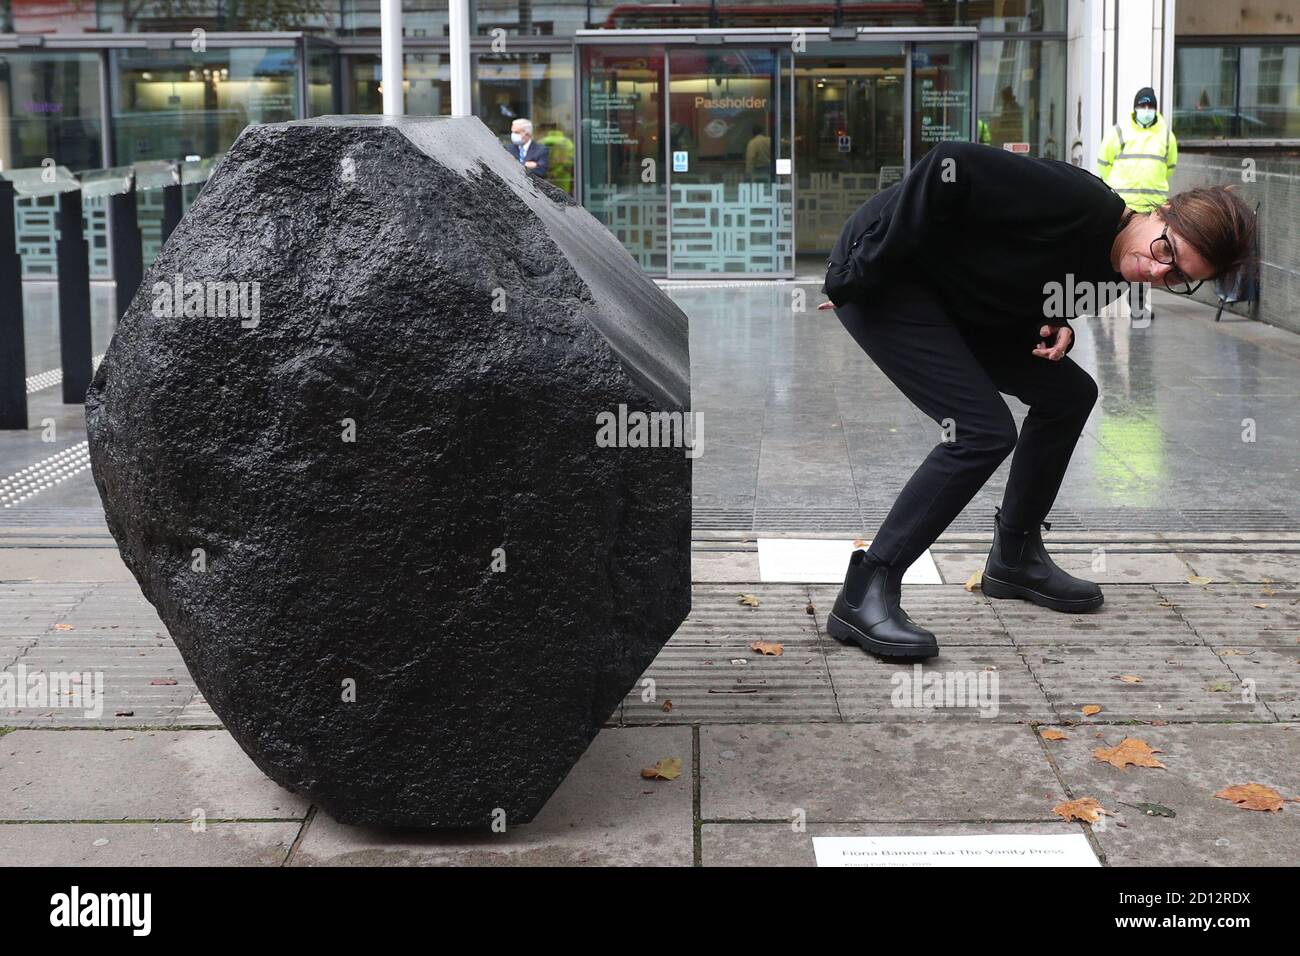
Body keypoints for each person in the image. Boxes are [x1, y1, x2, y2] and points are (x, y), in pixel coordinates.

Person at [818, 140, 1255, 659]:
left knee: (1070, 393)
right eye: (1167, 252)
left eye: (1179, 279)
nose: (1158, 274)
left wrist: (1055, 326)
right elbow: (948, 166)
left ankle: (1015, 556)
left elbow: (1031, 286)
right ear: (1160, 213)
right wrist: (860, 269)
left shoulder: (1115, 275)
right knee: (981, 431)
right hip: (886, 275)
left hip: (956, 300)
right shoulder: (1077, 200)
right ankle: (866, 588)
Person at [1098, 88, 1179, 319]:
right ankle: (1095, 299)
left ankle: (1138, 307)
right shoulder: (1120, 131)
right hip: (1122, 206)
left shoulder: (1165, 136)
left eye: (1149, 106)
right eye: (1142, 106)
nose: (1146, 110)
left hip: (1152, 209)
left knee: (1145, 262)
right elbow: (1104, 162)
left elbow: (1169, 167)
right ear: (1135, 108)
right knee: (1110, 255)